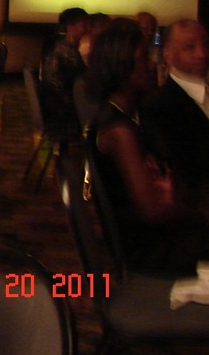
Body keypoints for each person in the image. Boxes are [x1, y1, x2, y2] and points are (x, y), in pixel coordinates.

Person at [87, 18, 209, 276]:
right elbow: (151, 210)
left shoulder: (122, 117)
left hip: (155, 236)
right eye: (143, 59)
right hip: (150, 249)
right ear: (122, 67)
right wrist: (200, 211)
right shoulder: (119, 130)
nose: (153, 64)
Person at [141, 19, 209, 206]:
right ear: (168, 54)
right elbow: (180, 169)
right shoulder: (160, 106)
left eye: (205, 45)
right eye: (190, 47)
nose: (202, 54)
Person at [40, 6, 88, 135]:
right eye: (83, 25)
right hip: (63, 108)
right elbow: (82, 79)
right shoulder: (67, 51)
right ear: (70, 26)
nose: (86, 29)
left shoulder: (60, 45)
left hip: (55, 103)